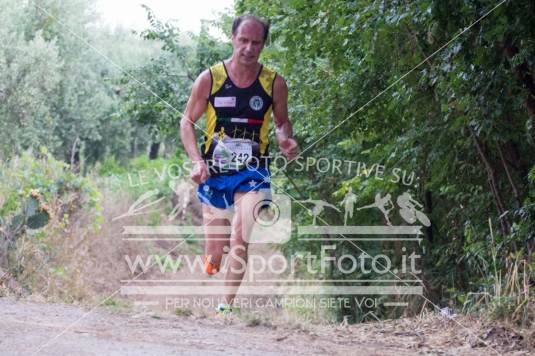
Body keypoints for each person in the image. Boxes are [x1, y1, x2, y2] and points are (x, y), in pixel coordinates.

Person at [180, 15, 299, 314]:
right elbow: (186, 122)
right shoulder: (210, 78)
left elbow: (283, 123)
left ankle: (226, 308)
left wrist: (286, 139)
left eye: (255, 42)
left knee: (240, 235)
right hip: (215, 173)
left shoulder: (274, 83)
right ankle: (213, 260)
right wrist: (196, 161)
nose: (248, 48)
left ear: (263, 44)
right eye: (243, 40)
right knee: (216, 253)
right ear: (232, 38)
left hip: (253, 171)